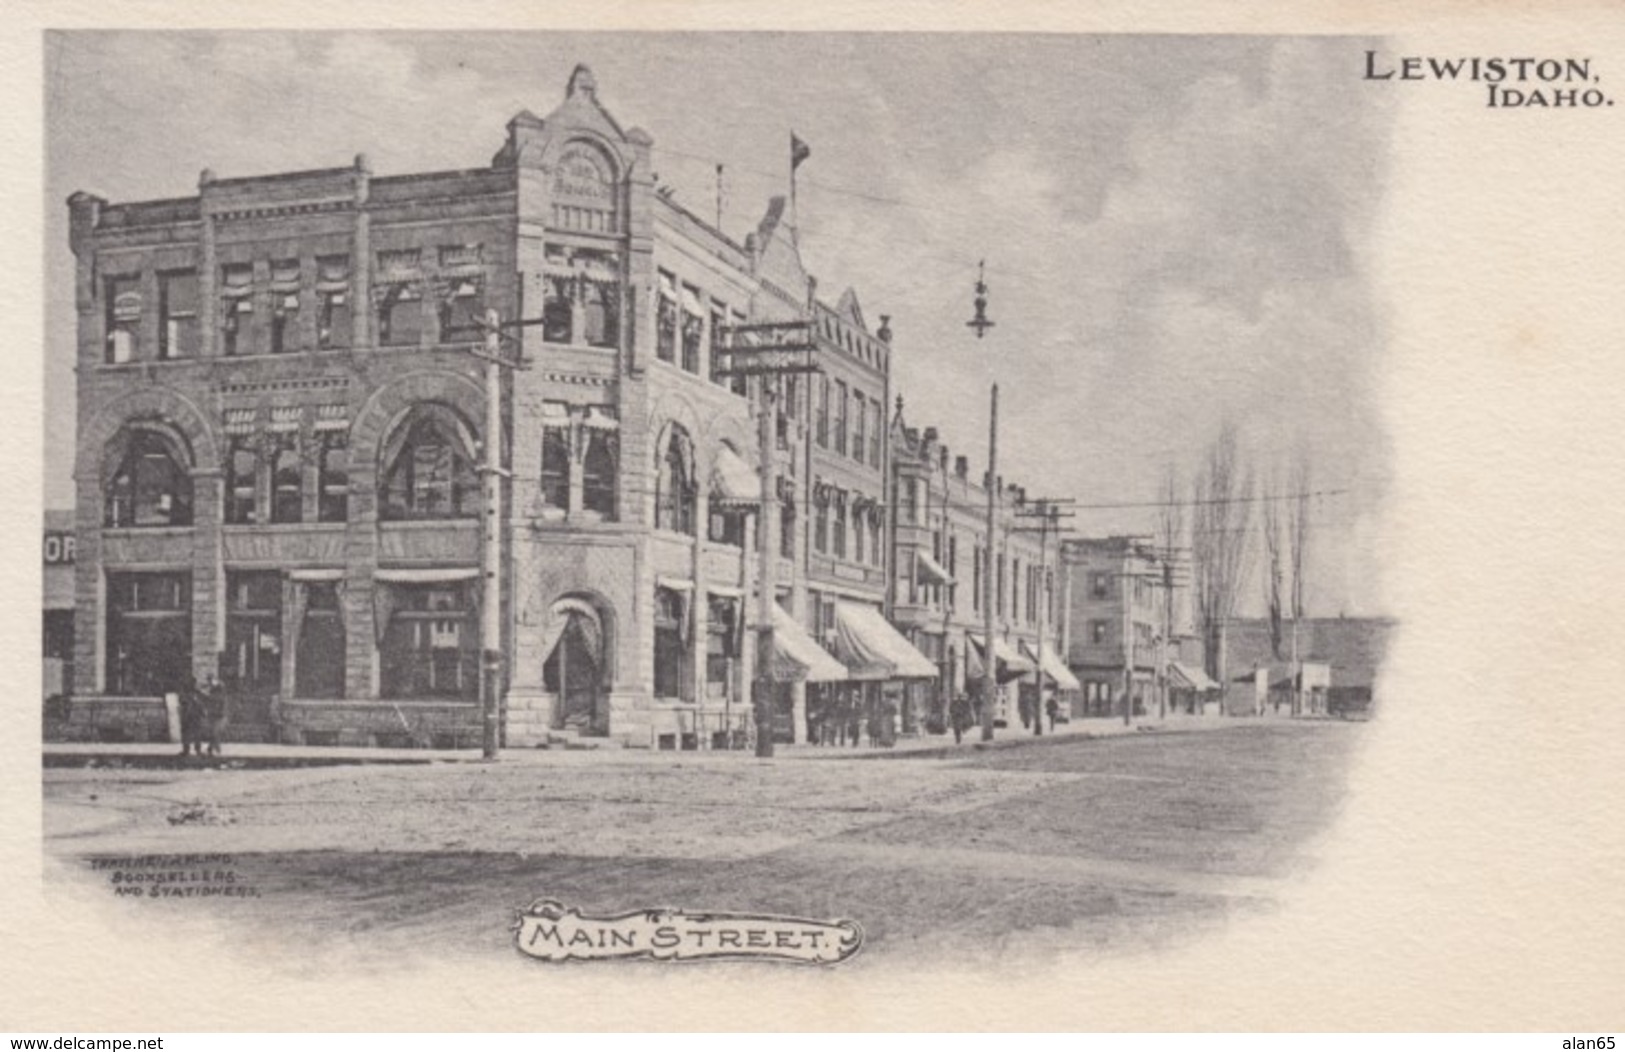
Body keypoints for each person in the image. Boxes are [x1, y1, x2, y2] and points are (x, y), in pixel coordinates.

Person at [177, 676, 205, 758]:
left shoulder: (197, 693)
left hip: (194, 716)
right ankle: (187, 750)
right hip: (188, 715)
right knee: (188, 733)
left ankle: (196, 750)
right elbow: (182, 702)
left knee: (196, 733)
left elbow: (201, 703)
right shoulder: (185, 693)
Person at [201, 675, 226, 757]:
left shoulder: (217, 694)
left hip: (217, 714)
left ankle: (214, 749)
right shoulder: (216, 692)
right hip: (214, 714)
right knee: (213, 732)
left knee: (214, 732)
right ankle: (212, 748)